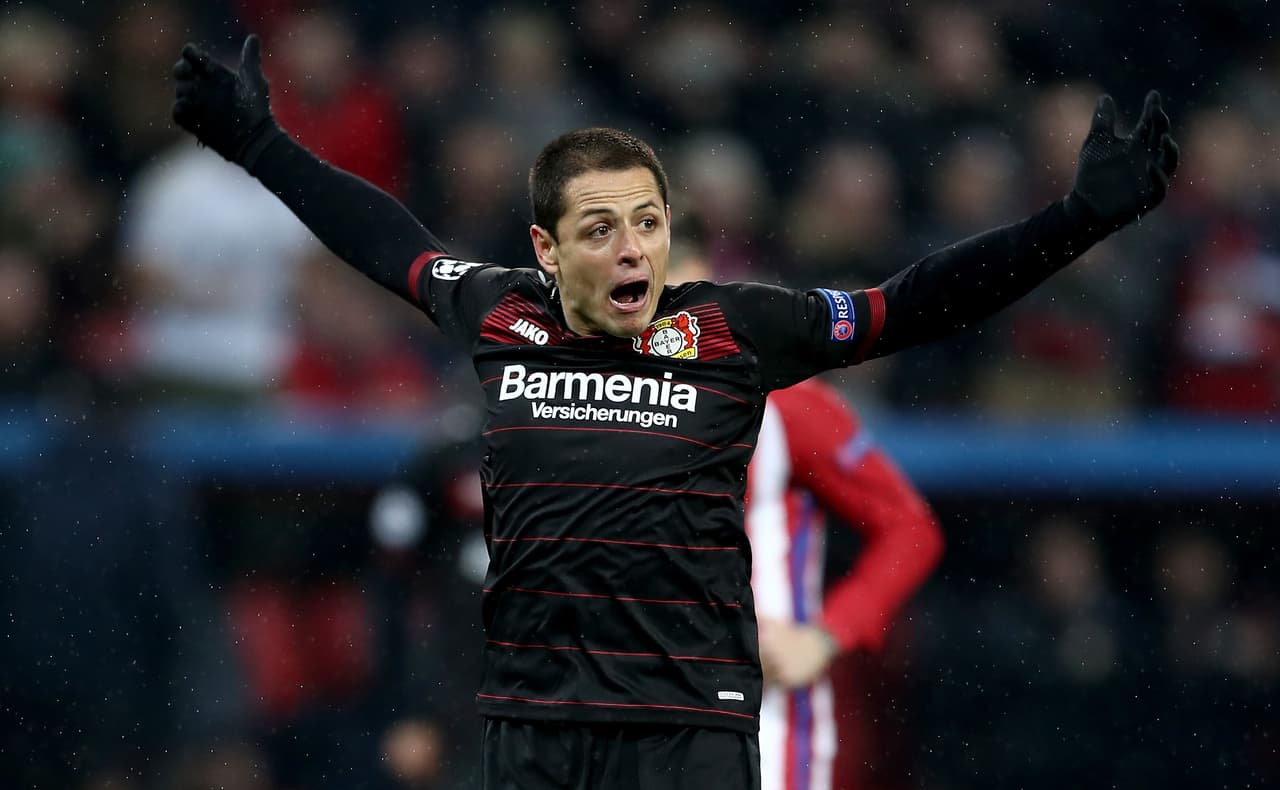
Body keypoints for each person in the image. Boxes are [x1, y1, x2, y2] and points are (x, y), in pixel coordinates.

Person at [171, 34, 1177, 790]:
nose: (631, 250)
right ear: (546, 248)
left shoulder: (740, 327)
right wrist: (257, 140)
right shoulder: (496, 306)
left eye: (647, 224)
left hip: (687, 725)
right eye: (599, 228)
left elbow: (913, 301)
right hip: (529, 726)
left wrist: (1073, 220)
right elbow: (376, 233)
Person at [669, 238, 944, 790]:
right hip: (629, 709)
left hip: (759, 722)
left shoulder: (784, 403)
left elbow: (910, 530)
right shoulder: (592, 404)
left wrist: (825, 635)